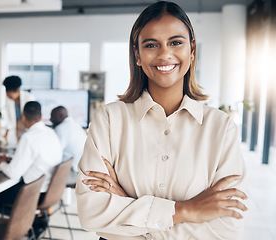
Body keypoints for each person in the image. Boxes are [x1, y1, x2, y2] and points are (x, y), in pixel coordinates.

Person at [76, 1, 248, 240]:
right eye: (150, 45)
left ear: (192, 50)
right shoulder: (110, 120)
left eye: (176, 42)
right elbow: (91, 213)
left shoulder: (220, 128)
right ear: (137, 55)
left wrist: (126, 207)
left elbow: (226, 229)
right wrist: (189, 210)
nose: (165, 54)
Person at [0, 101, 62, 236]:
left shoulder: (28, 137)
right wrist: (13, 160)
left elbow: (13, 173)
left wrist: (2, 163)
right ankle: (34, 220)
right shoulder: (51, 133)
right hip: (49, 190)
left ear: (23, 117)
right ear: (41, 116)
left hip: (33, 194)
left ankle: (31, 220)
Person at [50, 106, 87, 173]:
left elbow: (54, 153)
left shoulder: (61, 128)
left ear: (60, 116)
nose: (50, 119)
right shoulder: (76, 125)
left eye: (52, 116)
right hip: (82, 169)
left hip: (73, 172)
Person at [2, 75, 34, 145]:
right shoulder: (9, 100)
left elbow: (33, 117)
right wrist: (6, 134)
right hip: (16, 127)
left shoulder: (28, 98)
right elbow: (9, 119)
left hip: (27, 126)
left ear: (16, 90)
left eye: (10, 96)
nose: (9, 98)